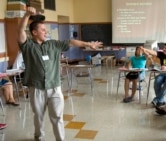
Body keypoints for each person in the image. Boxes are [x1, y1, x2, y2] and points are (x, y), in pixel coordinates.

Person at [17, 7, 103, 141]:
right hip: (37, 88)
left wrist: (87, 44)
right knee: (38, 116)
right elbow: (20, 31)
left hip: (55, 87)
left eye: (46, 30)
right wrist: (27, 15)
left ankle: (60, 139)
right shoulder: (28, 46)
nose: (46, 32)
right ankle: (39, 137)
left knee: (57, 117)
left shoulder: (54, 44)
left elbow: (71, 41)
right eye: (43, 30)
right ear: (34, 32)